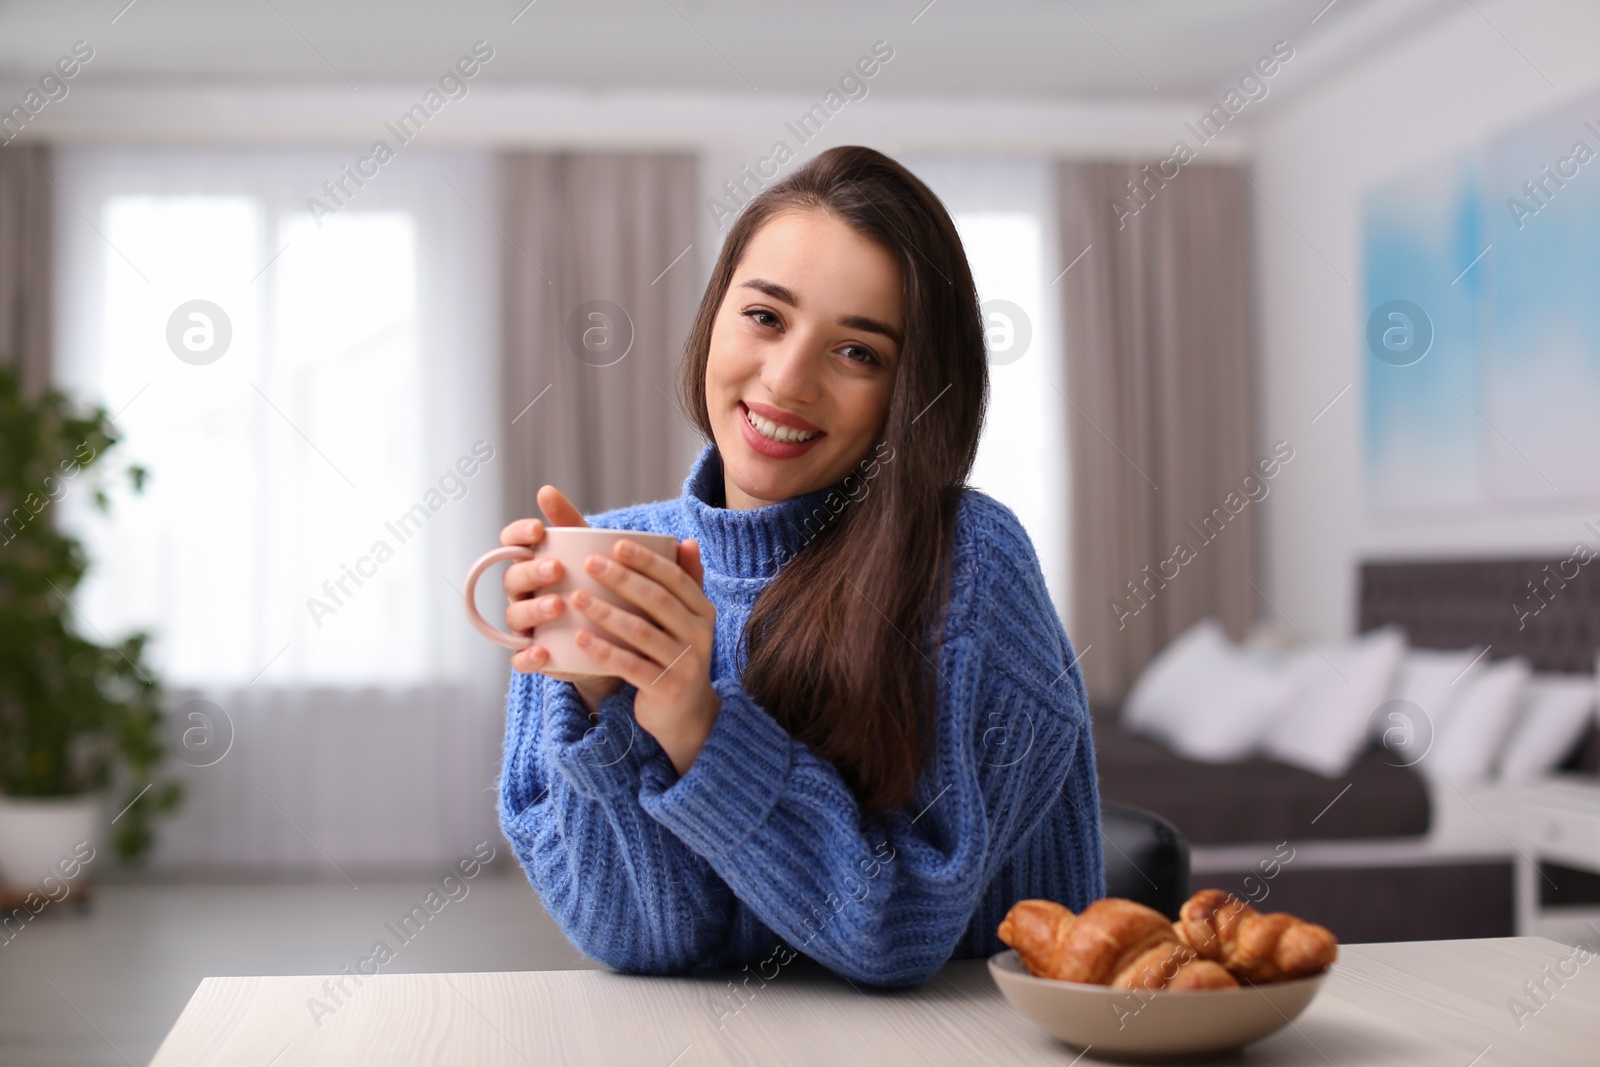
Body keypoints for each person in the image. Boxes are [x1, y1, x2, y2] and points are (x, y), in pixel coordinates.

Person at [496, 145, 1103, 988]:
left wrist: (696, 721)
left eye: (858, 352)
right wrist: (603, 703)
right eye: (766, 317)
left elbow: (896, 933)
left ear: (913, 391)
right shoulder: (606, 558)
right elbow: (641, 942)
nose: (786, 380)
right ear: (714, 317)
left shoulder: (968, 563)